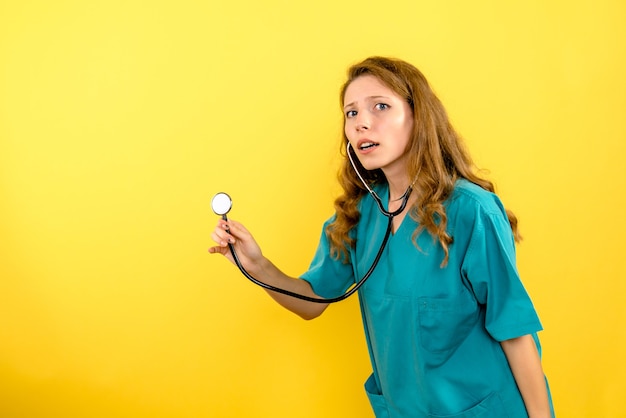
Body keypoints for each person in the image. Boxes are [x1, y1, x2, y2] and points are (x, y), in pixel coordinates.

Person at [209, 56, 554, 418]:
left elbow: (515, 331)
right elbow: (313, 302)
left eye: (381, 106)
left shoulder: (472, 211)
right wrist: (257, 265)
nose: (362, 123)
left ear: (419, 118)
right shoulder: (359, 215)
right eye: (351, 113)